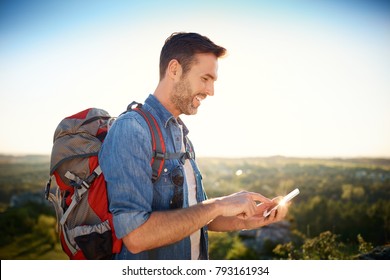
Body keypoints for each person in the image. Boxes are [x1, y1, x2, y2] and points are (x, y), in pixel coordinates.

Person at [99, 32, 288, 260]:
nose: (211, 91)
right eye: (205, 79)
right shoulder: (132, 129)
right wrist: (218, 204)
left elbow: (196, 215)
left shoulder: (182, 136)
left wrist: (248, 218)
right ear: (175, 70)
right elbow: (135, 236)